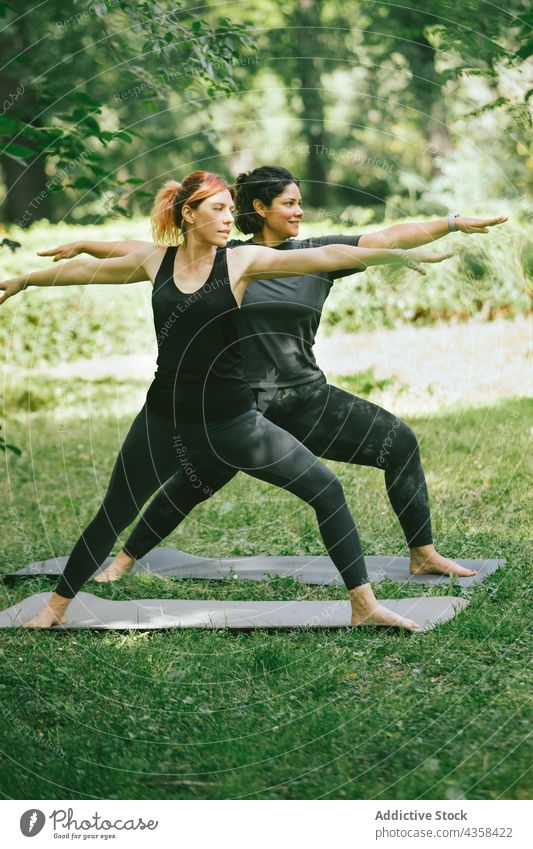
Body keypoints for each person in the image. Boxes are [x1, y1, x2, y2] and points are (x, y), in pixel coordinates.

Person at [0, 170, 455, 631]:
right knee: (113, 512)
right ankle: (55, 608)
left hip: (233, 419)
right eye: (217, 208)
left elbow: (327, 254)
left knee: (327, 490)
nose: (227, 217)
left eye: (228, 208)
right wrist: (26, 280)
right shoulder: (155, 262)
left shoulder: (241, 262)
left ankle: (363, 605)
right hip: (164, 417)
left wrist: (390, 254)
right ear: (188, 214)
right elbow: (86, 271)